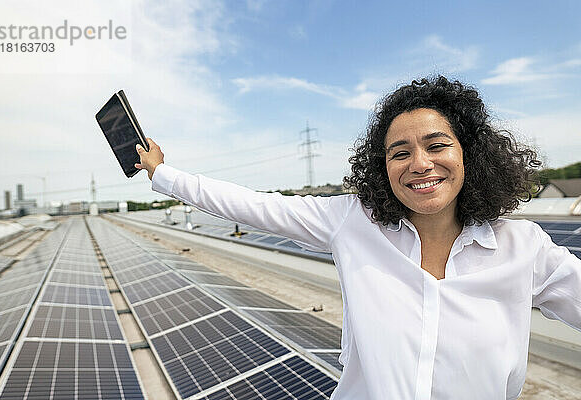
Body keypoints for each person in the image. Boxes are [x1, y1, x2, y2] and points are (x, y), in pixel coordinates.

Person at [134, 75, 581, 400]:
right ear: (382, 168)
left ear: (470, 154)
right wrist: (164, 174)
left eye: (437, 145)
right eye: (399, 153)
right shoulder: (353, 223)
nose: (419, 163)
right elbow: (254, 205)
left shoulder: (526, 250)